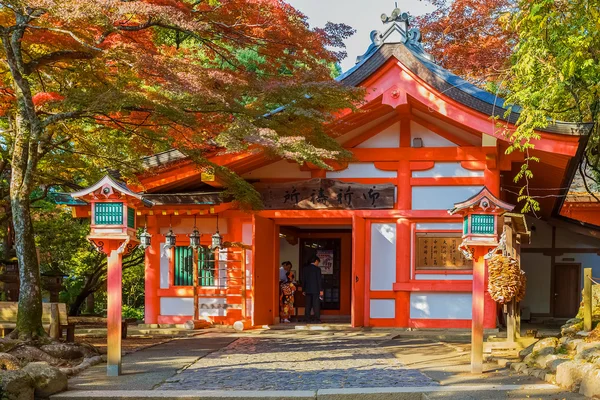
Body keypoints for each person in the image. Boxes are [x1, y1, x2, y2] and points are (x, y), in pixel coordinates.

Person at [302, 255, 323, 323]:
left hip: (307, 289)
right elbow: (319, 280)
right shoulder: (317, 269)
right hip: (316, 290)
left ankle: (307, 318)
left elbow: (304, 280)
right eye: (318, 262)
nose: (318, 264)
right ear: (316, 261)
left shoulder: (305, 269)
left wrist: (303, 289)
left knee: (308, 305)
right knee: (316, 305)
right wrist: (321, 290)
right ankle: (317, 319)